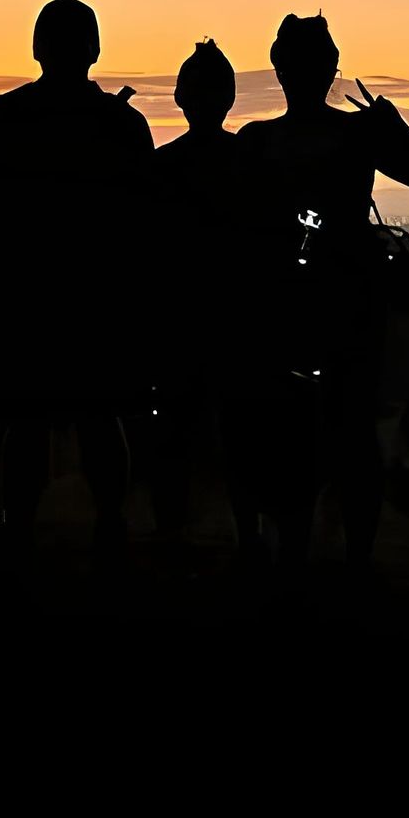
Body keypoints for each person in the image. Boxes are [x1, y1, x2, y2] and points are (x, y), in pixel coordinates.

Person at [230, 13, 409, 587]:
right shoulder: (357, 135)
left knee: (292, 433)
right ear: (332, 67)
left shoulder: (257, 141)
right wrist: (395, 130)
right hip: (346, 304)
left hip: (281, 307)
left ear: (277, 67)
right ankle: (355, 561)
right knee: (351, 434)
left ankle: (291, 556)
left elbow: (238, 226)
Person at [0, 0, 154, 574]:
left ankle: (19, 531)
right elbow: (143, 220)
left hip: (21, 301)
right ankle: (108, 529)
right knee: (96, 417)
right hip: (97, 302)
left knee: (28, 420)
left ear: (37, 48)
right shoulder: (122, 125)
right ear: (94, 50)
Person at [148, 39, 241, 562]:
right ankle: (248, 539)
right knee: (238, 437)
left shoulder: (160, 169)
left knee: (174, 438)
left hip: (175, 323)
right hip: (237, 322)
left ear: (180, 98)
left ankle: (170, 537)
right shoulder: (248, 164)